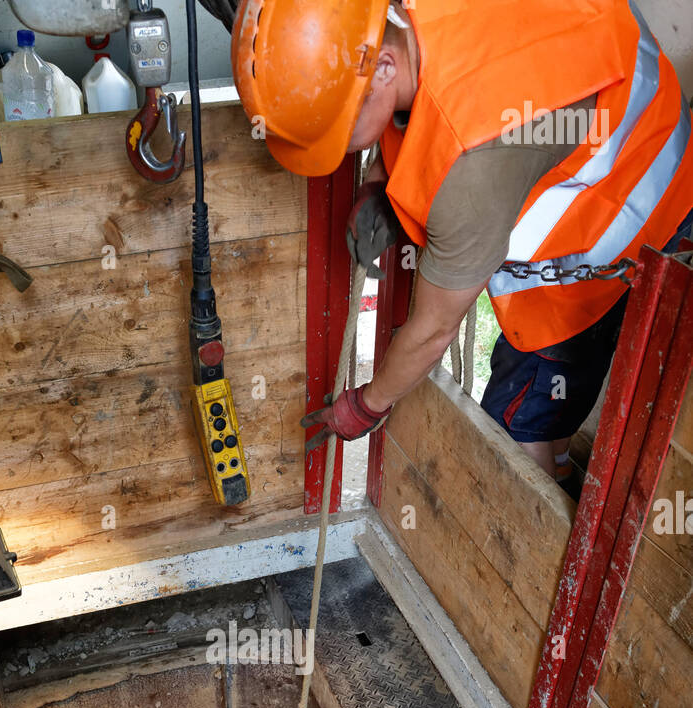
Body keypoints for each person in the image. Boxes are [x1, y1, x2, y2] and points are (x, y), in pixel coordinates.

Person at [232, 0, 693, 478]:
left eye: (335, 131)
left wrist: (367, 405)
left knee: (519, 431)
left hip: (638, 207)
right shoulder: (399, 25)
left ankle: (552, 489)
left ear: (384, 67)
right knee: (548, 403)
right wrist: (379, 182)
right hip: (622, 80)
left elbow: (432, 331)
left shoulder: (469, 170)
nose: (332, 146)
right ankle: (559, 461)